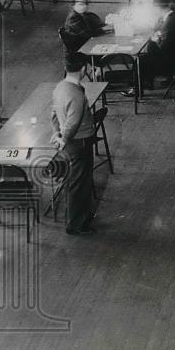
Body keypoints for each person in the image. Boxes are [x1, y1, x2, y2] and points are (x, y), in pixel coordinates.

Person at [50, 53, 97, 235]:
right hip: (80, 142)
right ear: (84, 68)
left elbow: (53, 114)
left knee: (76, 180)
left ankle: (80, 216)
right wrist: (65, 137)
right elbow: (73, 121)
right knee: (80, 183)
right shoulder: (76, 93)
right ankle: (76, 224)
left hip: (71, 142)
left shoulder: (60, 87)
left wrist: (56, 132)